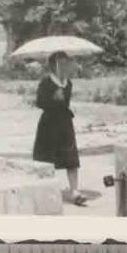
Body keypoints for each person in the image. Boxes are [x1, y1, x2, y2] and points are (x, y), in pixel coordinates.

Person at [31, 51, 85, 206]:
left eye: (65, 63)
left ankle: (75, 191)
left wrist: (62, 98)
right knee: (46, 158)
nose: (63, 66)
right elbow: (40, 103)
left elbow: (65, 104)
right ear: (53, 66)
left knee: (71, 157)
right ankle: (45, 191)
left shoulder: (69, 83)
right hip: (49, 124)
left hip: (65, 123)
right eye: (60, 64)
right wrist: (53, 98)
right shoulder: (46, 83)